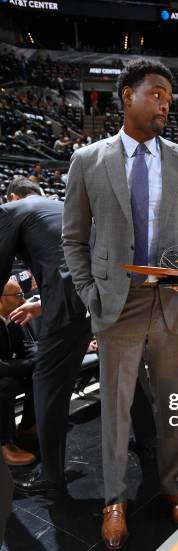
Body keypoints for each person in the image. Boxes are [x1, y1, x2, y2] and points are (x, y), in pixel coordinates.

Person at [62, 59, 178, 551]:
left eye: (170, 95)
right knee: (116, 410)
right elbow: (74, 240)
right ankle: (113, 499)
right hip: (116, 306)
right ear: (127, 95)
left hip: (170, 303)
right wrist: (89, 294)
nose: (166, 101)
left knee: (173, 406)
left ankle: (173, 486)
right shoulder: (88, 161)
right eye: (156, 92)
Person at [0, 177, 92, 496]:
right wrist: (40, 303)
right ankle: (149, 439)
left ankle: (51, 474)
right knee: (124, 369)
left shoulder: (9, 211)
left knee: (47, 380)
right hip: (103, 288)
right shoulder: (57, 206)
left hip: (68, 296)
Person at [0, 279, 37, 466]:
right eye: (18, 296)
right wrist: (28, 363)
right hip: (4, 374)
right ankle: (4, 443)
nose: (24, 300)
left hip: (9, 368)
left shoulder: (13, 316)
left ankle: (28, 425)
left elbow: (27, 345)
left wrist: (37, 360)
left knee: (38, 373)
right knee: (7, 385)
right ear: (0, 300)